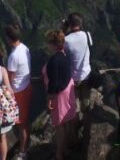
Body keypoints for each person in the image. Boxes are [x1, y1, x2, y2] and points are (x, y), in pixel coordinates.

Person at [43, 29, 78, 160]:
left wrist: (49, 98)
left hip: (59, 94)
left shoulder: (53, 61)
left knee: (59, 125)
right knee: (67, 121)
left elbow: (53, 83)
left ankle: (59, 154)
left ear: (52, 44)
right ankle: (66, 149)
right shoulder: (65, 55)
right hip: (68, 89)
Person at [62, 13, 95, 140]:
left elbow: (60, 48)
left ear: (69, 24)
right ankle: (87, 134)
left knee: (74, 109)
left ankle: (74, 136)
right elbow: (90, 46)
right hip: (86, 76)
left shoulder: (66, 40)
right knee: (86, 106)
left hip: (72, 79)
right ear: (80, 23)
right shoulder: (87, 35)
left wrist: (64, 30)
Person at [5, 24, 32, 160]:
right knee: (25, 121)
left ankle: (23, 151)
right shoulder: (25, 48)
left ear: (9, 39)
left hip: (18, 92)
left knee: (21, 124)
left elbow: (9, 78)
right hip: (27, 86)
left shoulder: (13, 57)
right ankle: (25, 145)